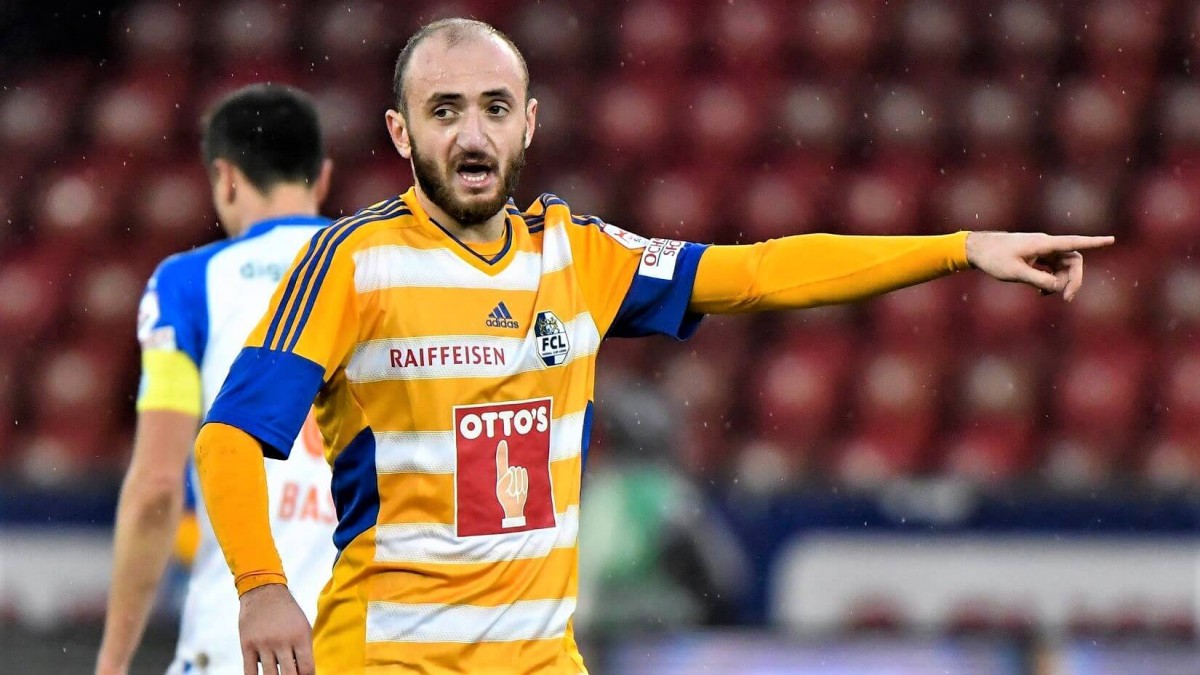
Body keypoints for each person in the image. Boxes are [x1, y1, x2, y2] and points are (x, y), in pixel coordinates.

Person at [192, 18, 1115, 675]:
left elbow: (758, 273)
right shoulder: (351, 262)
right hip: (389, 658)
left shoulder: (581, 254)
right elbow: (229, 435)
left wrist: (959, 248)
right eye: (444, 110)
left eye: (494, 108)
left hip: (541, 659)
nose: (472, 134)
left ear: (529, 122)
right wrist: (263, 585)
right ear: (400, 131)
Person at [96, 84, 338, 675]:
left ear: (226, 177)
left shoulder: (188, 285)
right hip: (372, 640)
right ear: (323, 176)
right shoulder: (381, 269)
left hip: (238, 642)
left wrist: (113, 661)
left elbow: (157, 488)